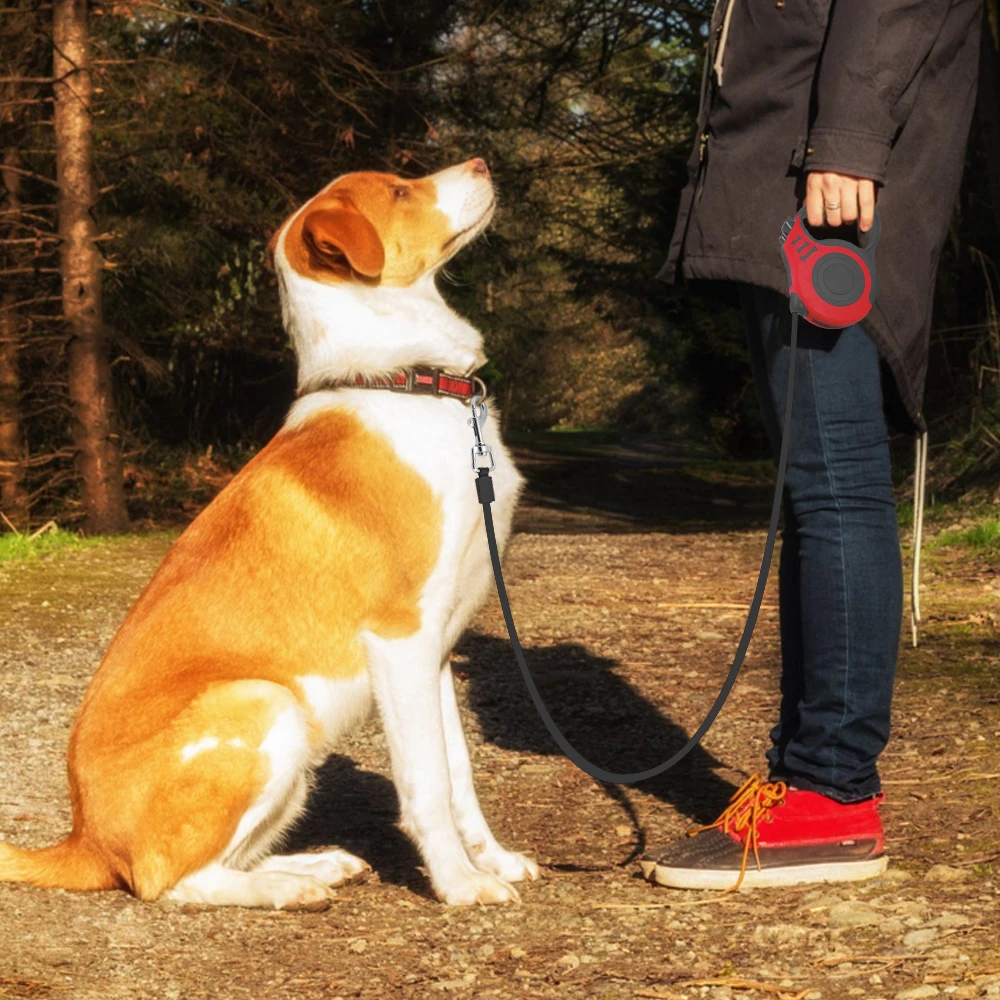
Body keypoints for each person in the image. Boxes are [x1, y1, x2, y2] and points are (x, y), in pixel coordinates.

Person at [641, 0, 984, 891]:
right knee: (815, 489)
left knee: (836, 486)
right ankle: (806, 776)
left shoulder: (840, 149)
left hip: (825, 173)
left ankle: (833, 794)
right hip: (793, 164)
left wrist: (849, 136)